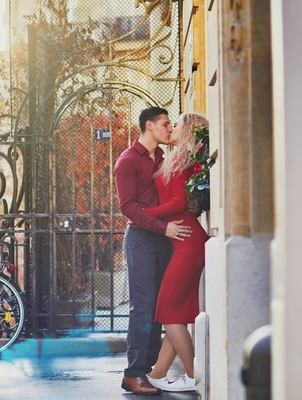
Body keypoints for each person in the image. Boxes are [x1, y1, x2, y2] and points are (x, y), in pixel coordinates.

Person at [114, 106, 193, 395]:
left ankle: (147, 370)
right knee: (143, 308)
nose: (169, 128)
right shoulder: (127, 161)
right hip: (142, 240)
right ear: (149, 126)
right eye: (165, 124)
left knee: (160, 308)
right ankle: (133, 373)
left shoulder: (162, 157)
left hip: (163, 239)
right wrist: (163, 228)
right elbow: (128, 208)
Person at [144, 113, 210, 392]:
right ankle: (158, 373)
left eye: (177, 124)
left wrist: (144, 214)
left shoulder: (183, 161)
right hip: (185, 242)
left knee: (169, 313)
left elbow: (179, 201)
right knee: (175, 313)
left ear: (189, 130)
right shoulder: (174, 159)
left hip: (188, 242)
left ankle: (195, 375)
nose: (172, 128)